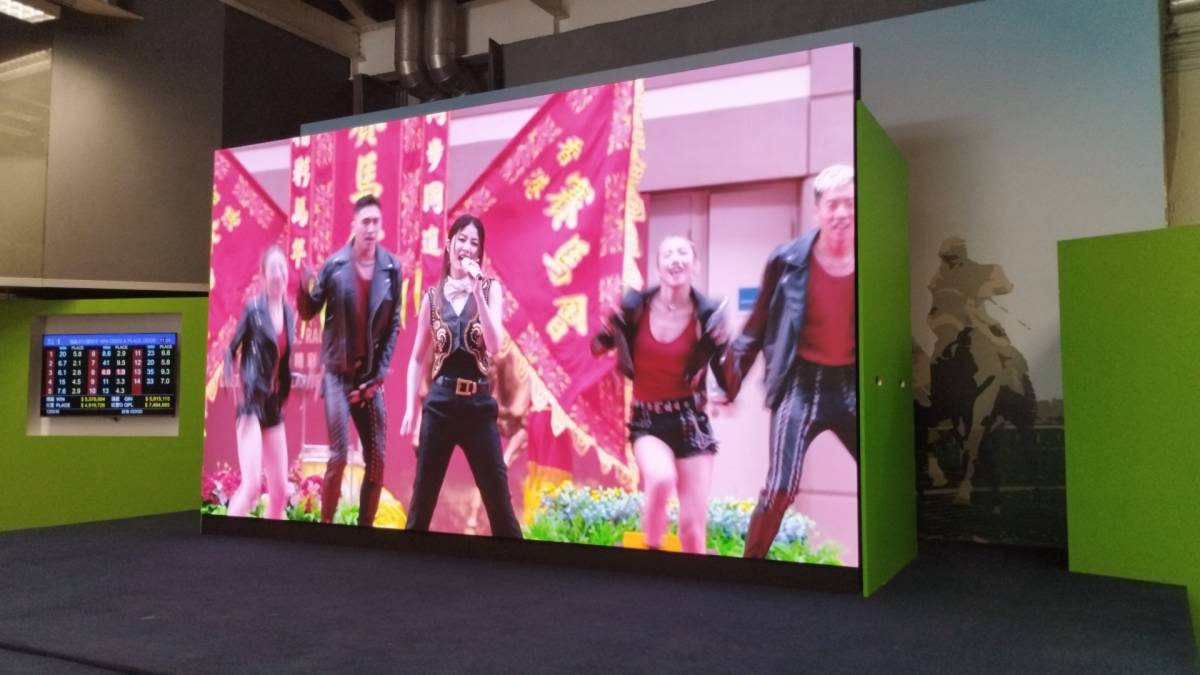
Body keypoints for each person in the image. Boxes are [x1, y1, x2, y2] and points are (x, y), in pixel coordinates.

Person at [722, 164, 858, 559]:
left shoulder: (875, 257)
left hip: (853, 384)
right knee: (781, 487)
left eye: (850, 204)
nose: (841, 213)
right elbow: (756, 327)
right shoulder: (786, 260)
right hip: (800, 383)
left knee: (885, 475)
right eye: (833, 204)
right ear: (818, 211)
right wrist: (728, 382)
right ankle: (749, 570)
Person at [593, 235, 729, 554]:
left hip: (691, 423)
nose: (675, 259)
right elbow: (598, 345)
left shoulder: (707, 314)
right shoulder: (635, 307)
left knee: (692, 528)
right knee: (661, 478)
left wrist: (725, 379)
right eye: (668, 254)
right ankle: (651, 556)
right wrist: (610, 327)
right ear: (658, 267)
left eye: (683, 253)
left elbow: (725, 368)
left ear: (695, 266)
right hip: (648, 421)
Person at [400, 214, 523, 538]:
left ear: (480, 253)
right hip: (440, 405)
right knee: (421, 502)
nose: (467, 248)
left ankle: (519, 564)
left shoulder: (491, 289)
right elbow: (416, 359)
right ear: (449, 245)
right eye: (462, 240)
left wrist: (477, 293)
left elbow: (494, 345)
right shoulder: (432, 297)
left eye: (474, 243)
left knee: (500, 503)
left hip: (478, 406)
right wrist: (411, 408)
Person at [297, 195, 402, 527]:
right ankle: (327, 526)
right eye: (365, 222)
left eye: (375, 222)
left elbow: (394, 323)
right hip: (337, 376)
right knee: (340, 454)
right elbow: (308, 311)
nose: (370, 228)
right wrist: (303, 285)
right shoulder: (335, 266)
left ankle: (364, 529)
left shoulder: (391, 268)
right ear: (354, 225)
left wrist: (379, 374)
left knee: (378, 461)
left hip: (370, 378)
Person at [225, 245, 296, 520]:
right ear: (264, 277)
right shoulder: (254, 310)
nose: (279, 274)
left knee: (279, 492)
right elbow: (231, 349)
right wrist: (235, 384)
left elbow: (281, 360)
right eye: (273, 269)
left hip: (272, 405)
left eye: (282, 268)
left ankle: (270, 541)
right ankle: (223, 537)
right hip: (251, 403)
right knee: (252, 487)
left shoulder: (289, 313)